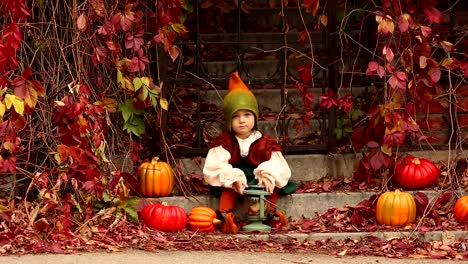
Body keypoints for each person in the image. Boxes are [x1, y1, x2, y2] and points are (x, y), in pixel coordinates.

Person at [203, 71, 296, 234]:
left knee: (271, 186)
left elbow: (277, 164)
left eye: (247, 114)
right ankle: (225, 215)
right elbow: (216, 165)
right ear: (229, 121)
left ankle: (269, 213)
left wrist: (268, 174)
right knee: (228, 189)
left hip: (257, 176)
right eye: (236, 116)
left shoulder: (265, 142)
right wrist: (233, 178)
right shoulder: (224, 142)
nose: (242, 120)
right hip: (237, 178)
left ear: (255, 117)